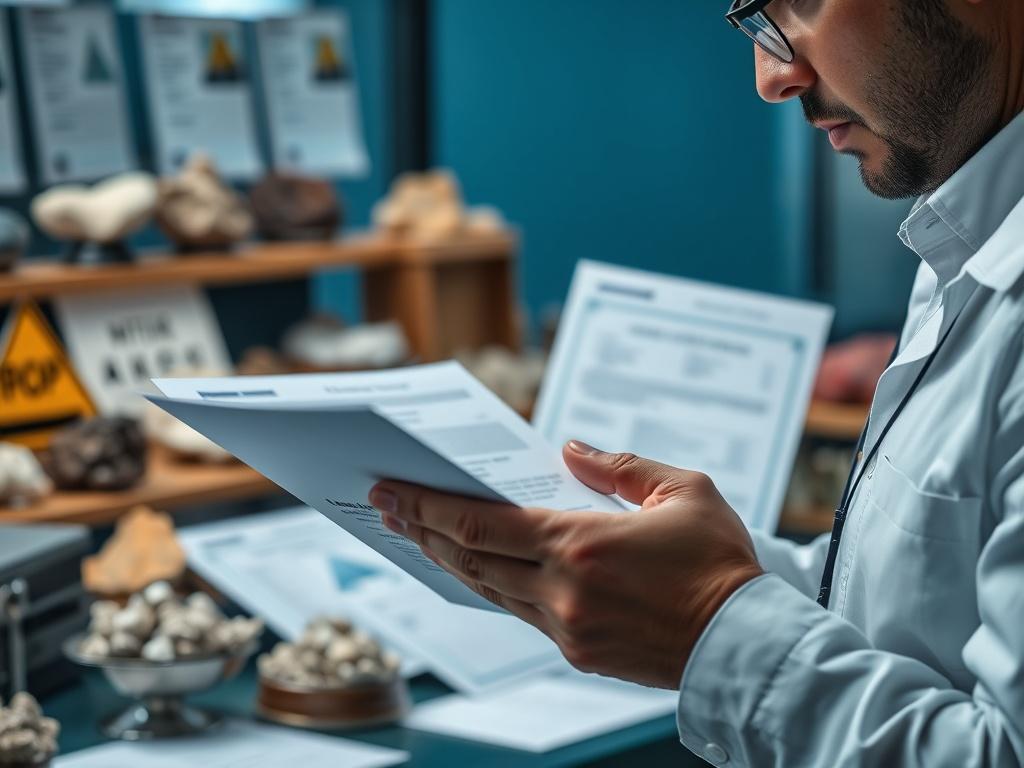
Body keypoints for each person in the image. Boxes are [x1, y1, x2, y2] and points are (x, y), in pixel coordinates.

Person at [369, 0, 1024, 764]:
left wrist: (711, 620)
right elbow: (925, 608)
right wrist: (697, 570)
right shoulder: (964, 239)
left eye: (798, 5)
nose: (773, 78)